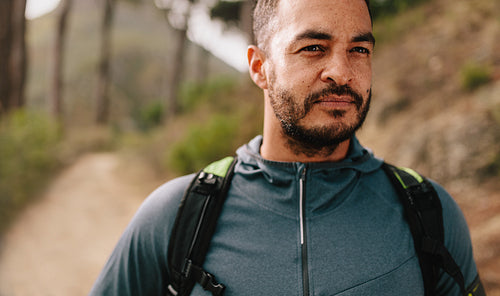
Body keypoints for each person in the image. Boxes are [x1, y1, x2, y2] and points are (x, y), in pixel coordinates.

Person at [90, 0, 482, 295]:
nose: (342, 72)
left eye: (359, 49)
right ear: (260, 67)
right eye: (314, 48)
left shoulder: (429, 212)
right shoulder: (176, 216)